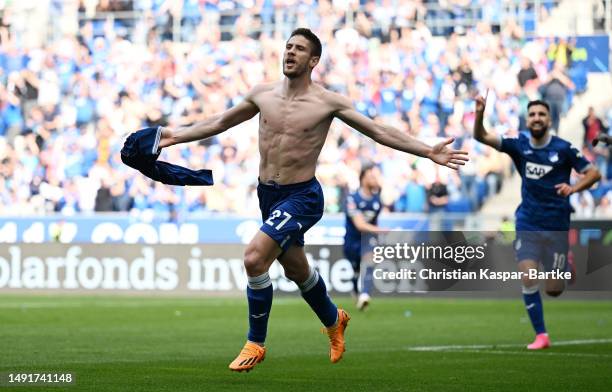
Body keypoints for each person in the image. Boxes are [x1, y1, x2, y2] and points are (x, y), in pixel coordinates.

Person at [158, 28, 469, 372]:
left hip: (303, 196)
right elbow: (218, 122)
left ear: (313, 60)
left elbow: (378, 130)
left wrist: (427, 151)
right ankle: (334, 319)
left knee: (253, 258)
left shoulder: (327, 102)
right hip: (268, 194)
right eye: (288, 47)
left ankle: (255, 343)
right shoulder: (262, 94)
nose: (290, 52)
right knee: (295, 269)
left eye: (299, 49)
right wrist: (173, 138)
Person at [473, 92, 601, 350]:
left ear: (549, 120)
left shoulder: (563, 149)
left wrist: (574, 188)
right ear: (527, 119)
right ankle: (541, 335)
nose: (536, 118)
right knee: (529, 277)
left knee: (554, 289)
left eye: (541, 114)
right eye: (532, 114)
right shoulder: (519, 145)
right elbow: (481, 136)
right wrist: (479, 114)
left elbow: (594, 173)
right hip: (528, 222)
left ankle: (566, 265)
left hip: (556, 224)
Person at [343, 164, 384, 311]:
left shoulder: (377, 201)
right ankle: (355, 288)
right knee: (355, 269)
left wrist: (376, 234)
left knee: (369, 262)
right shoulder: (352, 199)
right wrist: (382, 231)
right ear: (363, 178)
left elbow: (374, 223)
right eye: (372, 176)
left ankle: (365, 294)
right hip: (352, 240)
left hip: (367, 238)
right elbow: (360, 225)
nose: (375, 179)